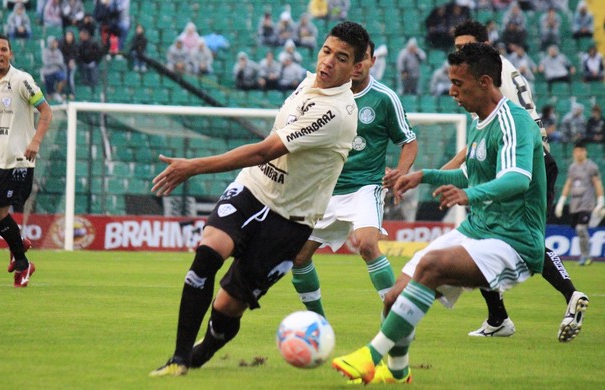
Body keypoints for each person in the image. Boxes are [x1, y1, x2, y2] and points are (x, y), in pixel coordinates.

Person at [148, 21, 368, 377]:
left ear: (355, 68)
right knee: (207, 253)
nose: (328, 62)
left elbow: (266, 149)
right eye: (326, 51)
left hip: (290, 219)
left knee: (227, 307)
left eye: (341, 58)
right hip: (252, 190)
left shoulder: (336, 113)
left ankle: (202, 352)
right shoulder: (308, 81)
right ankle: (178, 358)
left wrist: (194, 166)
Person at [332, 42, 549, 384]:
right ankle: (399, 370)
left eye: (458, 84)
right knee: (393, 296)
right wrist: (424, 175)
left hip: (514, 239)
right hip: (479, 230)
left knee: (432, 266)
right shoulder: (482, 123)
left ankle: (370, 355)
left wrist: (469, 194)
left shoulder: (514, 121)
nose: (451, 92)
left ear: (485, 82)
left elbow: (517, 178)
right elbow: (470, 175)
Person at [446, 20, 587, 342]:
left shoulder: (486, 79)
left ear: (484, 46)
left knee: (495, 235)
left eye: (467, 47)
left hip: (522, 162)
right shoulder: (503, 70)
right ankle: (499, 317)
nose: (460, 53)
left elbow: (498, 129)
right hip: (525, 157)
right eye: (457, 48)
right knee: (492, 234)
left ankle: (560, 297)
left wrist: (452, 165)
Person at [290, 40, 418, 318]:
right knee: (298, 257)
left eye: (364, 59)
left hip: (365, 186)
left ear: (372, 61)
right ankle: (318, 321)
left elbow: (409, 141)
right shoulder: (321, 92)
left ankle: (396, 321)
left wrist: (401, 172)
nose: (358, 65)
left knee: (367, 244)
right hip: (325, 188)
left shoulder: (384, 98)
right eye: (354, 59)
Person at [0, 34, 52, 287]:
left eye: (3, 49)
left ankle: (23, 264)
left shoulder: (22, 80)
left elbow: (46, 111)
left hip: (16, 160)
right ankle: (18, 242)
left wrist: (35, 142)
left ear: (10, 54)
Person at [555, 141, 604, 265]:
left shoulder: (591, 167)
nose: (578, 153)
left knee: (581, 228)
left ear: (585, 152)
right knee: (578, 230)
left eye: (581, 151)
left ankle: (586, 256)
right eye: (576, 151)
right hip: (575, 204)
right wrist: (561, 201)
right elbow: (568, 184)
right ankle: (585, 254)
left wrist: (600, 200)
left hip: (587, 203)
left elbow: (597, 183)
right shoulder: (573, 167)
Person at [41, 35, 66, 103]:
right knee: (49, 87)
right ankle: (50, 97)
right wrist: (55, 62)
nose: (56, 44)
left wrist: (52, 62)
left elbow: (61, 62)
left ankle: (57, 93)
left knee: (63, 78)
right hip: (48, 71)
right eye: (54, 42)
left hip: (56, 70)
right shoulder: (45, 51)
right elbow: (45, 62)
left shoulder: (58, 51)